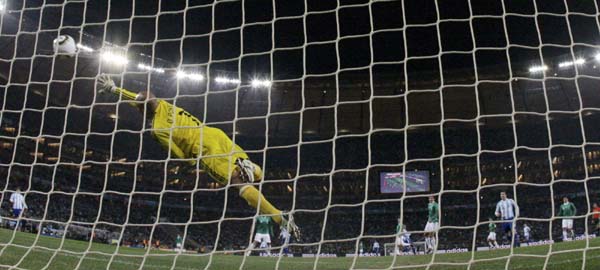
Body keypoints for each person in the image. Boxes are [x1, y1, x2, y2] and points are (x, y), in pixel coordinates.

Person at [96, 75, 300, 238]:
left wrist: (192, 162)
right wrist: (115, 90)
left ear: (142, 111)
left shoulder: (157, 129)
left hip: (205, 151)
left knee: (239, 183)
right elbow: (142, 100)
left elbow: (179, 155)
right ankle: (253, 167)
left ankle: (279, 217)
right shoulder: (164, 104)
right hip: (214, 134)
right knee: (252, 173)